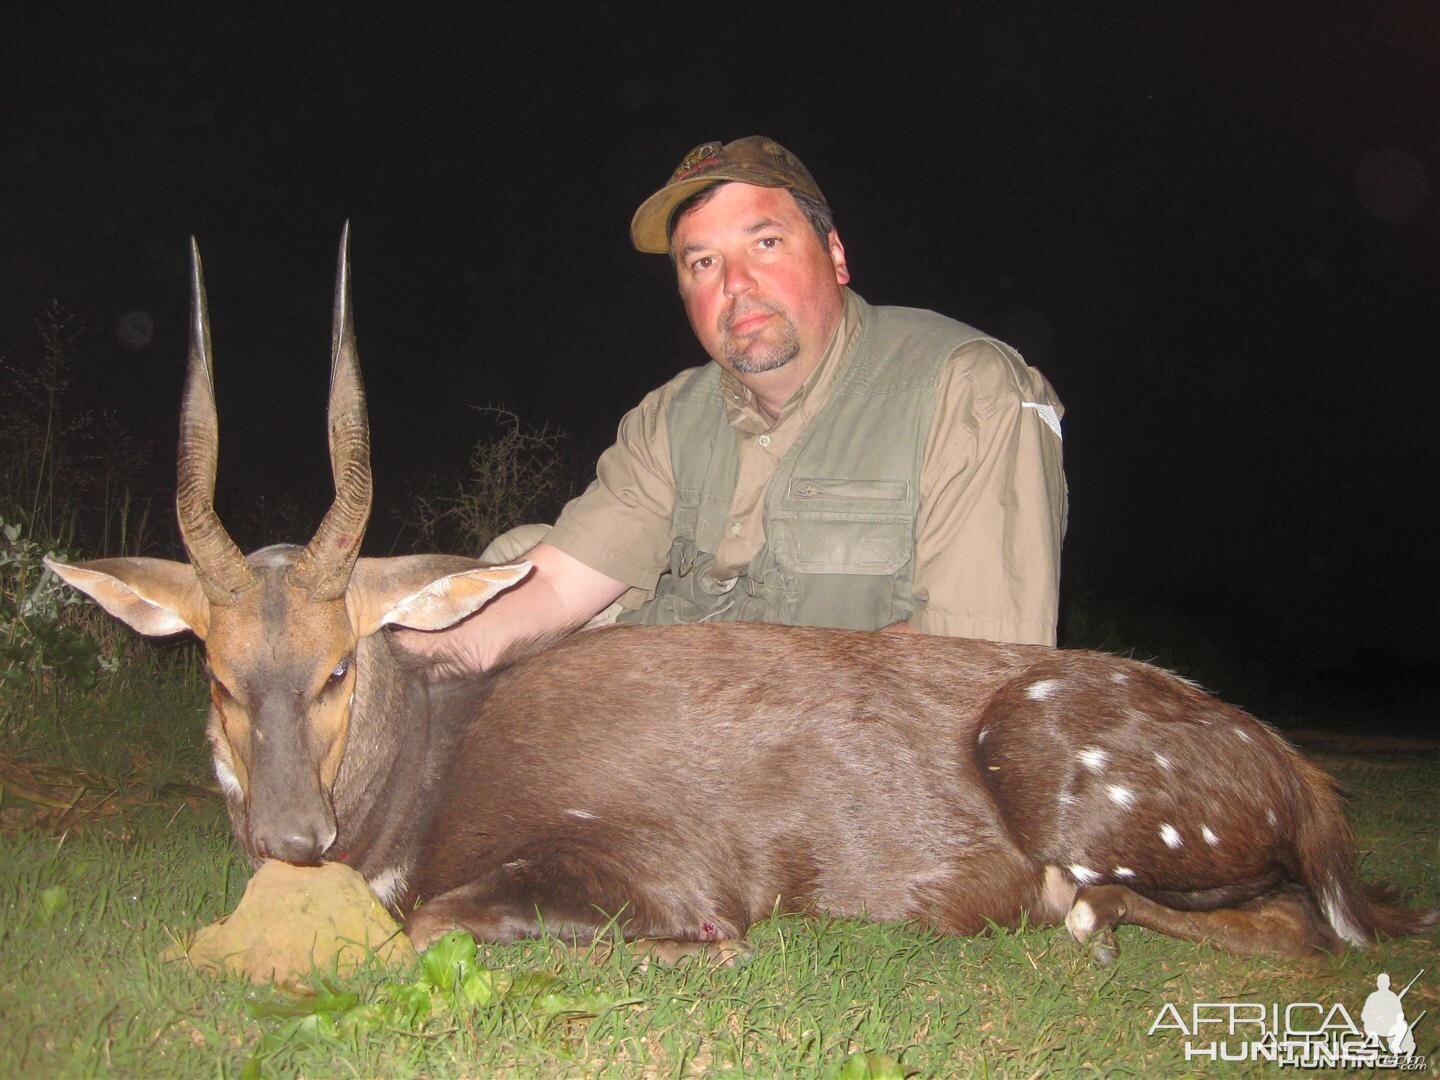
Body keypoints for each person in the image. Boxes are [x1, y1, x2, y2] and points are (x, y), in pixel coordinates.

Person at [397, 136, 1066, 675]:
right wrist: (389, 666)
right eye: (702, 264)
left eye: (764, 243)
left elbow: (981, 664)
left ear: (834, 255)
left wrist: (727, 722)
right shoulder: (670, 417)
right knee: (509, 568)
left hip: (833, 751)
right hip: (672, 703)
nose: (736, 285)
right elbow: (556, 587)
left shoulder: (969, 389)